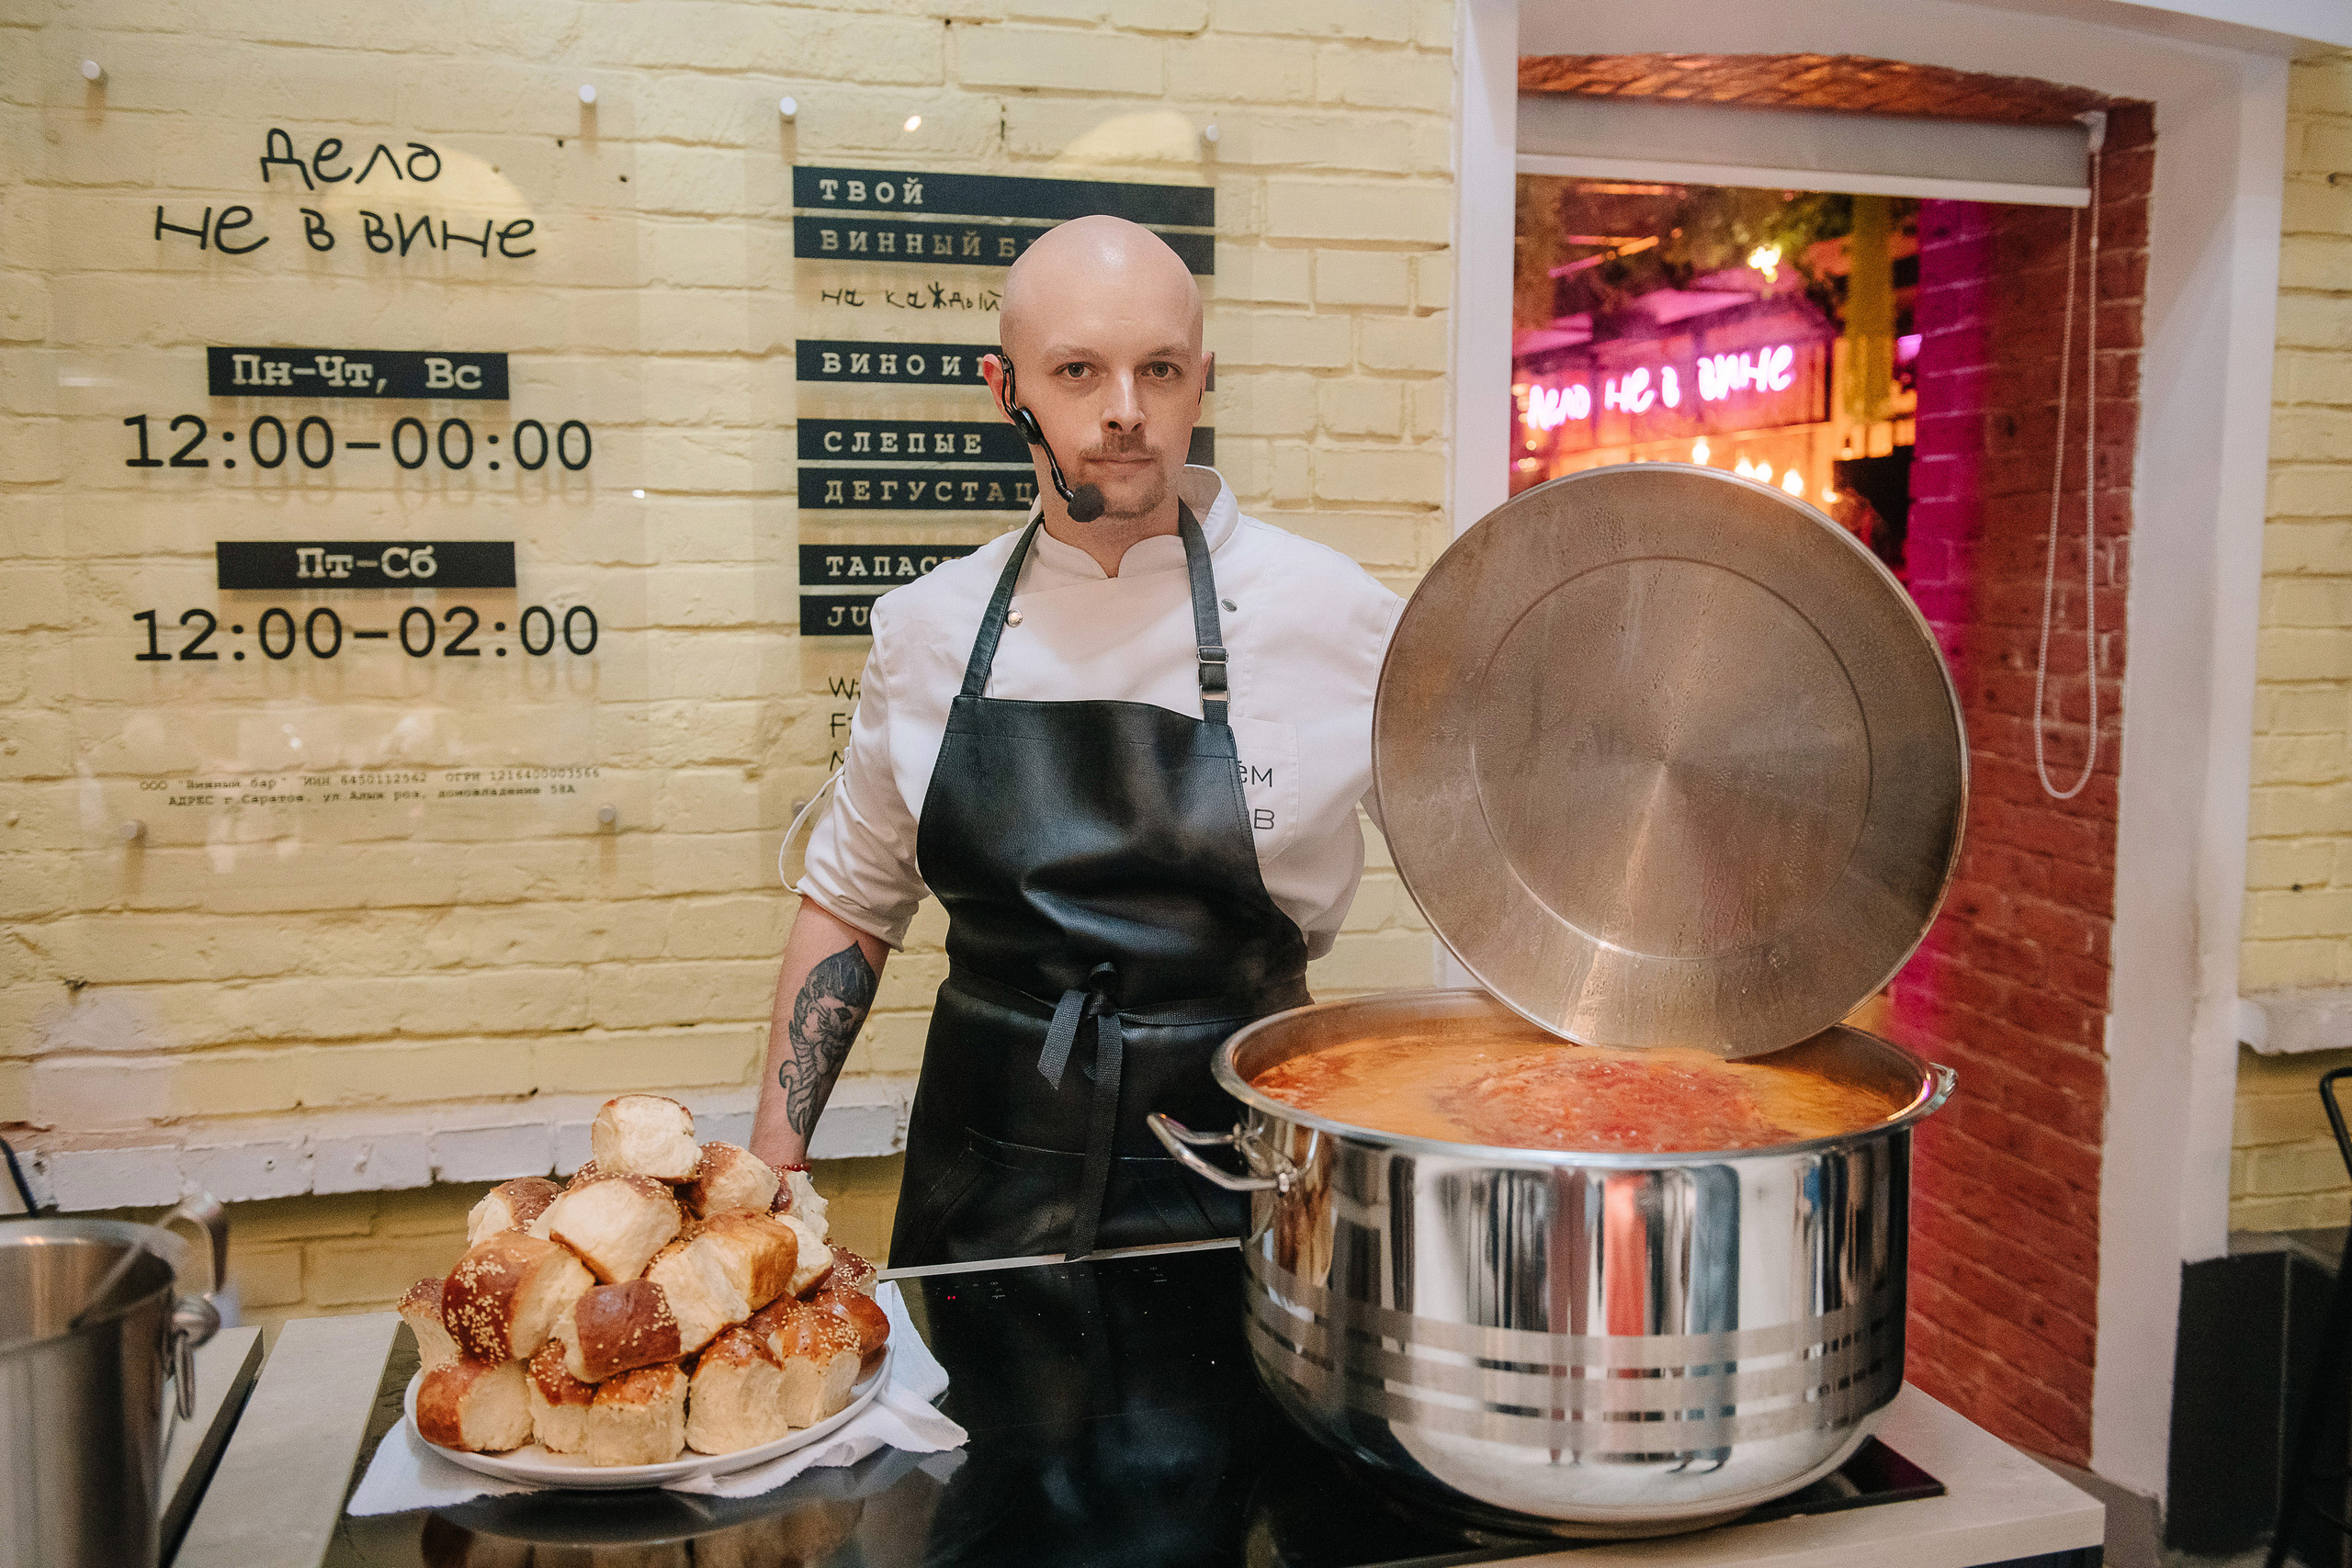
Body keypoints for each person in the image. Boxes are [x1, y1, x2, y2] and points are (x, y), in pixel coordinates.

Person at [747, 215, 1403, 1266]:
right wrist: (771, 1169)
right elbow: (853, 899)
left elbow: (1485, 880)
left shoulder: (1336, 615)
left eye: (1161, 369)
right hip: (984, 1172)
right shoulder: (928, 628)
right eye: (1078, 371)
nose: (1126, 412)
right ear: (1006, 389)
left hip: (1247, 1172)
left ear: (1203, 381)